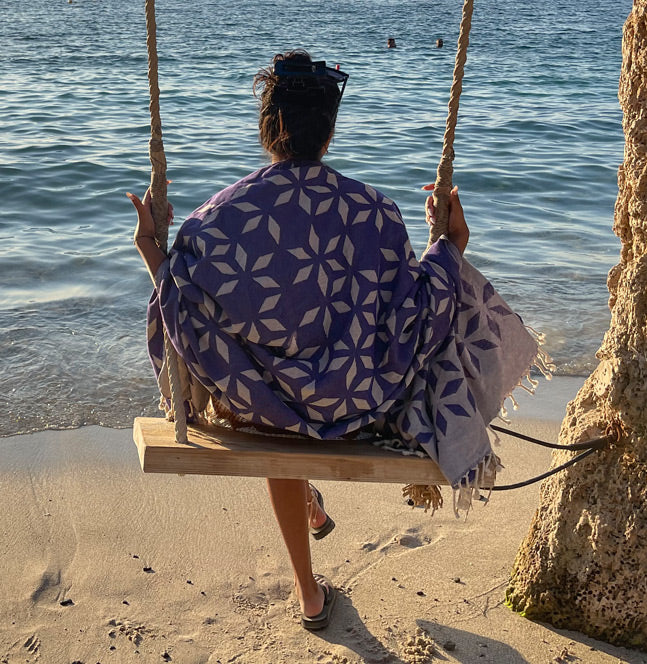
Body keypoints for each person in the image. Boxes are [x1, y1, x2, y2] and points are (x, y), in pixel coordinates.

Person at [127, 50, 536, 630]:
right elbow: (417, 324)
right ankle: (310, 516)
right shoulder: (378, 213)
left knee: (270, 406)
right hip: (357, 406)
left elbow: (183, 317)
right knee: (297, 404)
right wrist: (449, 247)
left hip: (261, 410)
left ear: (272, 127)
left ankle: (307, 592)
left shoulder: (216, 220)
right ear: (329, 130)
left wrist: (152, 251)